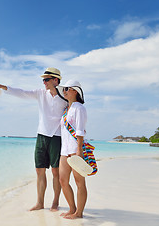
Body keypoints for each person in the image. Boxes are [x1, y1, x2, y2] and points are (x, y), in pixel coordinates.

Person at [0, 67, 68, 211]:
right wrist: (4, 87)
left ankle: (55, 202)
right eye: (43, 79)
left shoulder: (65, 95)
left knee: (56, 172)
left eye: (46, 79)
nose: (43, 82)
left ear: (56, 80)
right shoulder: (40, 93)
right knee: (39, 170)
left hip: (57, 137)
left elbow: (75, 109)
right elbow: (22, 93)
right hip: (41, 135)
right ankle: (40, 203)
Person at [57, 79, 88, 219]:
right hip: (64, 150)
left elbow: (80, 130)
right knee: (63, 180)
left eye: (67, 89)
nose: (64, 91)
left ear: (75, 91)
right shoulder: (66, 110)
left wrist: (79, 150)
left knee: (79, 182)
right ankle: (72, 208)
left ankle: (79, 213)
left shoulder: (79, 108)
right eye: (63, 89)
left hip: (75, 149)